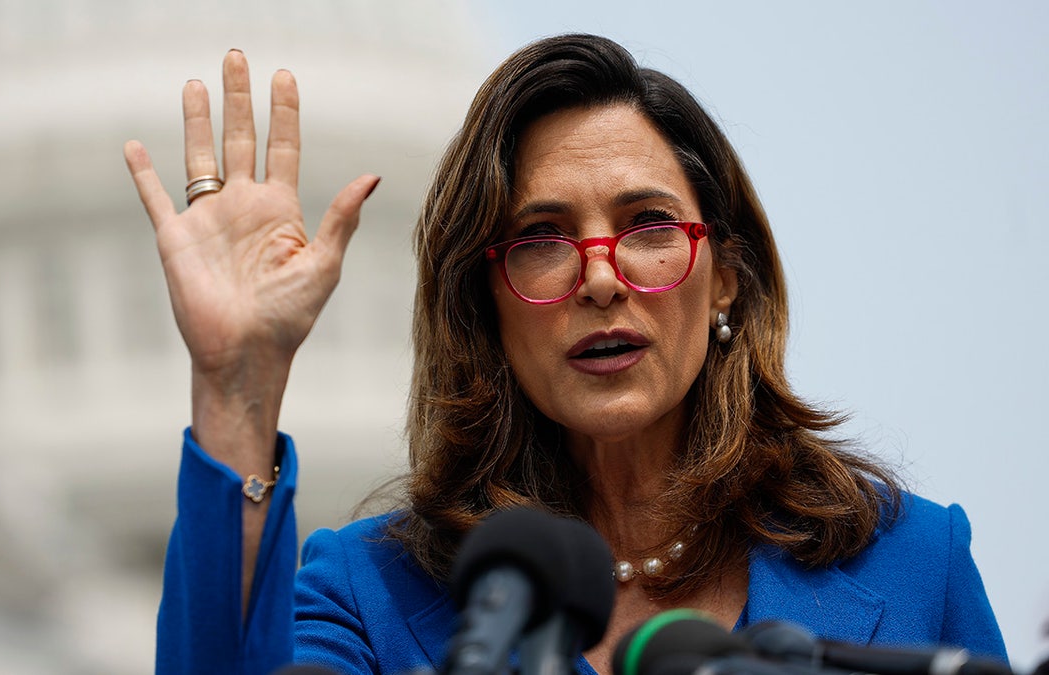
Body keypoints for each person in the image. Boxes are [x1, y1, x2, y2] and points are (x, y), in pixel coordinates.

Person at [124, 34, 1006, 675]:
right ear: (490, 305)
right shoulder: (370, 593)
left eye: (648, 226)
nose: (598, 278)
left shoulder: (913, 562)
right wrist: (237, 384)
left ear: (726, 277)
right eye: (541, 238)